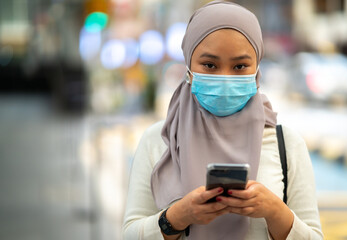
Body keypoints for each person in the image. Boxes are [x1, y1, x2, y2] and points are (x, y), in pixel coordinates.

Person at [122, 1, 323, 240]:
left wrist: (275, 211)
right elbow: (130, 234)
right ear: (188, 67)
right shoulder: (160, 140)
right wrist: (178, 216)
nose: (225, 77)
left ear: (256, 68)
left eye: (240, 66)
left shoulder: (286, 144)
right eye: (209, 65)